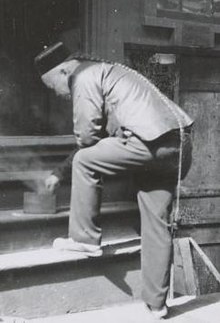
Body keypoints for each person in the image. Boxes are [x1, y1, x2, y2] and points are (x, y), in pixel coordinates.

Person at [34, 42, 194, 319]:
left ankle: (85, 238)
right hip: (178, 147)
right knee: (156, 221)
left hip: (149, 142)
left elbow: (86, 141)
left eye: (53, 88)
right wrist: (60, 172)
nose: (59, 95)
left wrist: (63, 171)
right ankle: (157, 305)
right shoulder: (106, 73)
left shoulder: (83, 77)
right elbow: (98, 143)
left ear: (63, 72)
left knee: (85, 161)